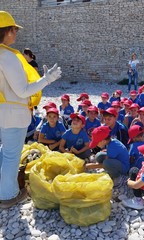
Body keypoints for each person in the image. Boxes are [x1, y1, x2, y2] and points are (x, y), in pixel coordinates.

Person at [0, 11, 61, 209]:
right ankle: (8, 196)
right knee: (11, 155)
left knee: (5, 151)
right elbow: (22, 90)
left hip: (4, 112)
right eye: (14, 29)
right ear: (7, 31)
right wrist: (47, 79)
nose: (16, 33)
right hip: (14, 114)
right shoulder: (7, 56)